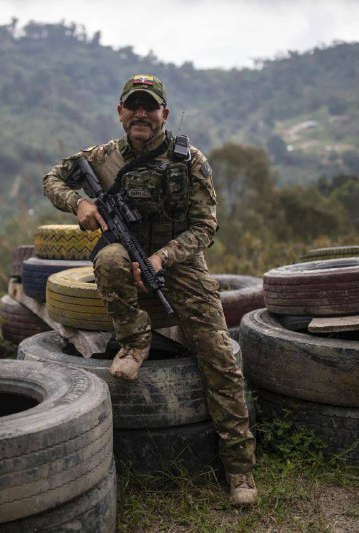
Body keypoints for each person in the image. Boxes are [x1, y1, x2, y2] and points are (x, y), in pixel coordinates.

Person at [42, 74, 257, 506]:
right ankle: (134, 341)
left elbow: (206, 226)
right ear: (120, 112)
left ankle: (239, 470)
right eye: (133, 105)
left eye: (150, 106)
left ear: (164, 113)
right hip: (126, 258)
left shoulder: (189, 159)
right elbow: (52, 178)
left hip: (179, 262)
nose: (141, 113)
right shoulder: (100, 157)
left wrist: (162, 258)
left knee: (218, 355)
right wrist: (79, 203)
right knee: (107, 257)